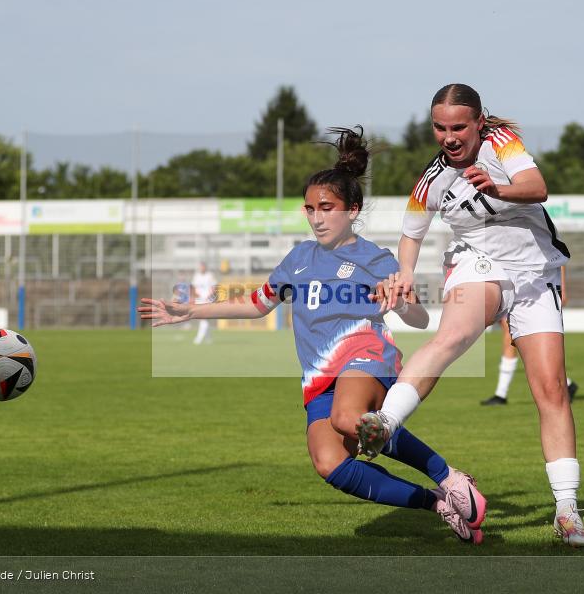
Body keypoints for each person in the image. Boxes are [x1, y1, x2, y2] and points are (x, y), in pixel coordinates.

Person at [139, 127, 486, 543]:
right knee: (330, 465)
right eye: (309, 209)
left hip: (367, 358)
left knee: (347, 419)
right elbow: (257, 304)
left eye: (327, 207)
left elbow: (418, 320)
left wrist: (398, 302)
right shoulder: (298, 258)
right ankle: (438, 502)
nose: (317, 217)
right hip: (318, 378)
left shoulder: (375, 258)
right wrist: (191, 311)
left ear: (352, 210)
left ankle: (447, 475)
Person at [356, 84, 584, 547]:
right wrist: (404, 272)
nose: (448, 136)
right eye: (440, 128)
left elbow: (538, 188)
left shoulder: (502, 144)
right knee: (455, 337)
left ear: (479, 122)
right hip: (476, 263)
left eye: (458, 126)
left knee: (551, 389)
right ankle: (385, 423)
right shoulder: (432, 178)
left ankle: (567, 511)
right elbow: (412, 233)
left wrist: (498, 186)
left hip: (534, 275)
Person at [482, 265, 579, 405]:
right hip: (508, 286)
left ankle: (501, 394)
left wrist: (562, 287)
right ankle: (567, 383)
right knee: (519, 341)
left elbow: (557, 255)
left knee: (513, 338)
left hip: (530, 292)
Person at [191, 262, 217, 345]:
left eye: (203, 267)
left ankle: (198, 339)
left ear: (205, 267)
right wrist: (195, 296)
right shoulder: (196, 276)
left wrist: (209, 296)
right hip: (199, 300)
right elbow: (194, 288)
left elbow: (214, 287)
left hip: (207, 300)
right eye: (200, 267)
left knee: (204, 318)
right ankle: (208, 338)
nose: (201, 268)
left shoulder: (210, 275)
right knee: (203, 319)